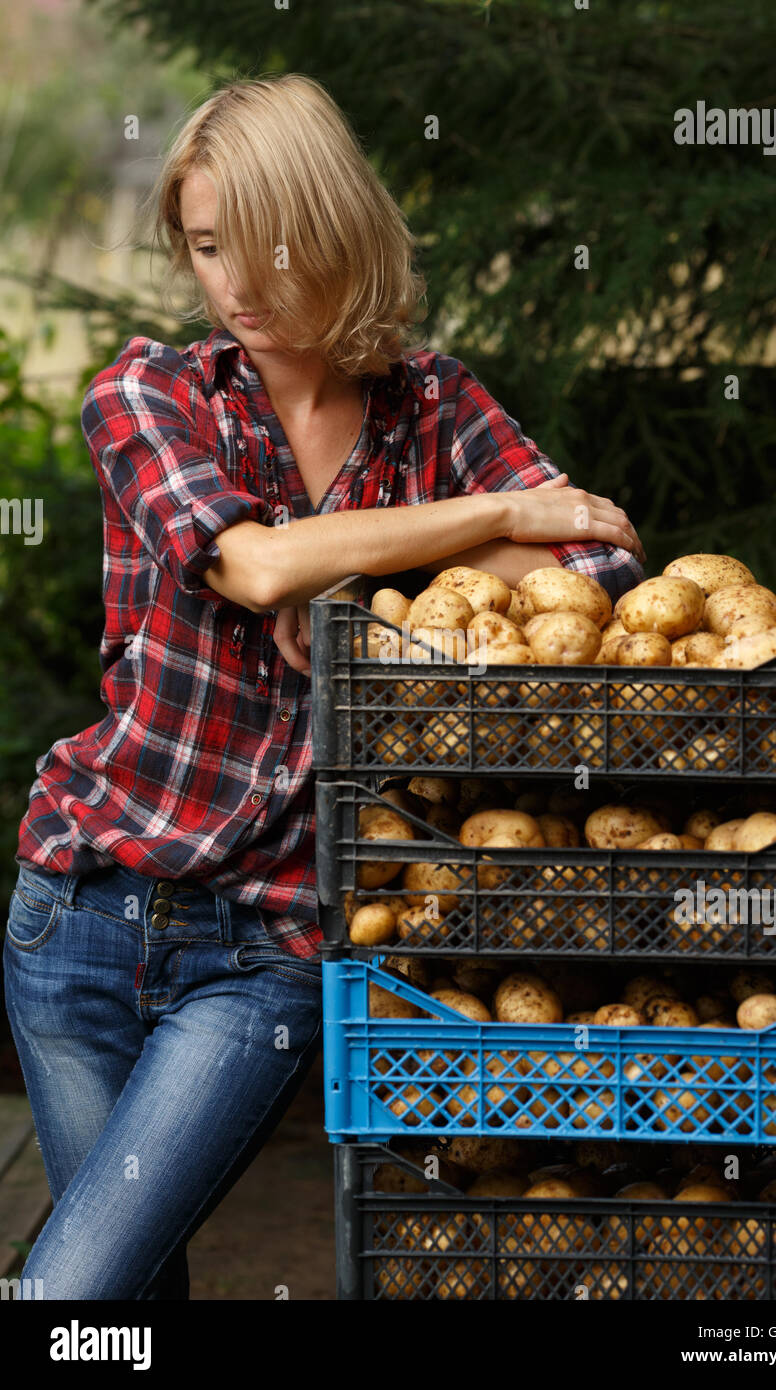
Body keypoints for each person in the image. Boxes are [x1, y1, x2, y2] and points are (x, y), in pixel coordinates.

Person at [4, 73, 644, 1300]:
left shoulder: (431, 406)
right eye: (203, 247)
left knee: (72, 1293)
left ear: (334, 231)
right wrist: (489, 516)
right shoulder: (150, 393)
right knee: (129, 1305)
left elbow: (597, 569)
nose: (234, 283)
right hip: (80, 913)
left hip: (268, 947)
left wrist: (349, 578)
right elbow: (249, 562)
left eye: (265, 245)